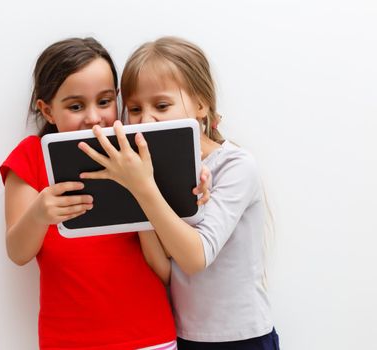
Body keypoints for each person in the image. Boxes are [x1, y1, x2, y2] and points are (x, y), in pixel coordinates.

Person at [0, 37, 209, 350]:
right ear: (47, 110)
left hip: (149, 334)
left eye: (104, 101)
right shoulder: (30, 156)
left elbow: (170, 241)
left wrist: (198, 183)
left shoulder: (136, 148)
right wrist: (39, 213)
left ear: (118, 99)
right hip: (68, 340)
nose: (94, 117)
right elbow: (18, 252)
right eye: (75, 106)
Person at [78, 36, 280, 349]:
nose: (145, 120)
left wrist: (143, 189)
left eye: (161, 105)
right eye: (134, 109)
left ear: (201, 105)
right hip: (186, 336)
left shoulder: (236, 165)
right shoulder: (151, 179)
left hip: (242, 337)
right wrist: (139, 193)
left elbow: (195, 257)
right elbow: (166, 270)